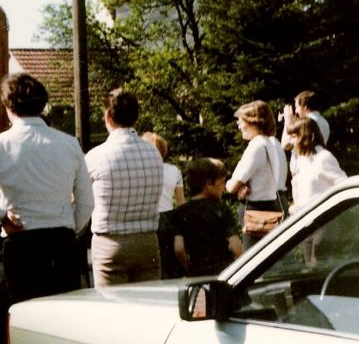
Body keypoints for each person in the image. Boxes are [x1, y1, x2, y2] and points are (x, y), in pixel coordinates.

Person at [0, 72, 93, 304]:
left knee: (24, 317)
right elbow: (87, 201)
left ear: (8, 106)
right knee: (64, 321)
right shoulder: (70, 144)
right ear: (42, 104)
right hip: (62, 241)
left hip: (21, 241)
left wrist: (1, 216)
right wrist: (69, 227)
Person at [85, 89, 163, 286]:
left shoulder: (96, 156)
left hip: (111, 242)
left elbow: (80, 198)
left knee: (111, 309)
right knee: (149, 306)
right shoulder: (154, 152)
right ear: (136, 117)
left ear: (108, 116)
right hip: (148, 241)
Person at [226, 100, 288, 250]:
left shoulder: (256, 146)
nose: (239, 126)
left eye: (241, 121)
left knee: (255, 261)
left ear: (254, 122)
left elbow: (232, 186)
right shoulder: (273, 143)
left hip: (257, 212)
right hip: (275, 204)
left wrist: (234, 184)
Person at [170, 158, 242, 276]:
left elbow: (179, 248)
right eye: (222, 182)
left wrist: (188, 267)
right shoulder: (222, 209)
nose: (223, 187)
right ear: (209, 183)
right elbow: (235, 246)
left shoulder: (180, 212)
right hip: (224, 271)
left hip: (198, 271)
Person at [142, 131, 185, 278]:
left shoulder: (141, 171)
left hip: (147, 217)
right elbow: (181, 203)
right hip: (169, 219)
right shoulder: (174, 171)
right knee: (169, 264)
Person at [287, 116, 346, 214]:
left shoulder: (323, 157)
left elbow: (343, 186)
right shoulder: (301, 160)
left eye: (294, 137)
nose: (290, 141)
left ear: (306, 136)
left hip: (325, 221)